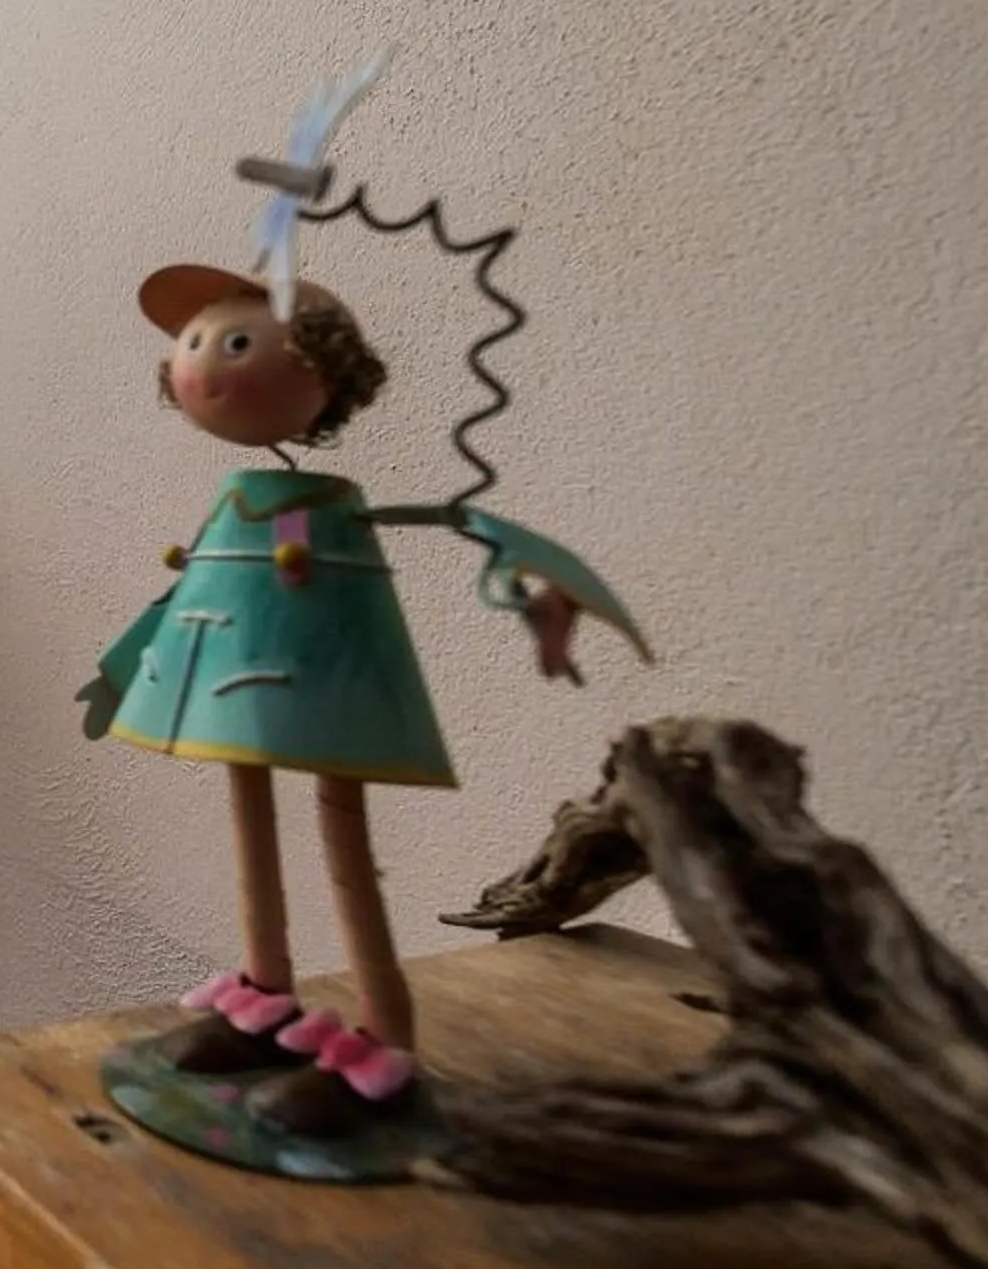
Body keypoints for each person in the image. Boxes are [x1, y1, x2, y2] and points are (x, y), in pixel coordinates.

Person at [78, 263, 645, 1138]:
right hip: (234, 685)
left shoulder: (324, 511)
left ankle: (384, 1040)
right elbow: (184, 594)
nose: (203, 364)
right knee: (245, 798)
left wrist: (525, 593)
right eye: (196, 344)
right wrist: (123, 666)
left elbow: (406, 532)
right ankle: (263, 993)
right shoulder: (241, 501)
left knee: (339, 815)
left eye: (234, 342)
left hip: (329, 686)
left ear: (325, 368)